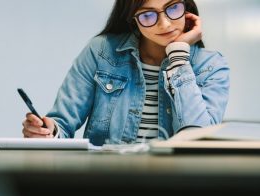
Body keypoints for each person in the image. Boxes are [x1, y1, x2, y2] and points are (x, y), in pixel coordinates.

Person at [22, 0, 229, 146]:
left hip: (175, 183)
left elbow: (198, 141)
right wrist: (47, 131)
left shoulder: (211, 65)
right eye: (148, 15)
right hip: (109, 180)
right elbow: (62, 124)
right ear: (133, 20)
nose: (165, 24)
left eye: (173, 8)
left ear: (187, 7)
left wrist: (178, 58)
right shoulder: (102, 51)